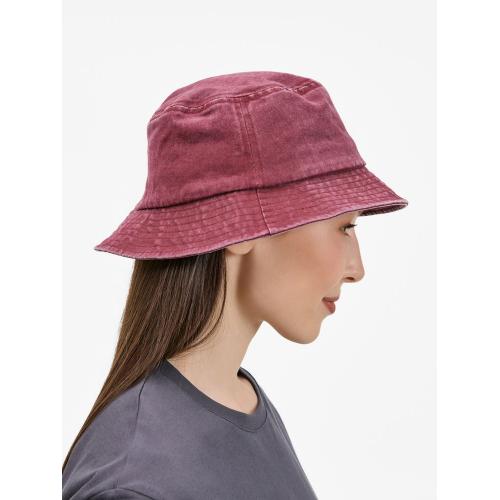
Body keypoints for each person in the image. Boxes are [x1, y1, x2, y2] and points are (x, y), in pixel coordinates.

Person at [62, 71, 408, 499]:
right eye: (344, 227)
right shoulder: (136, 480)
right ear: (241, 229)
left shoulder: (238, 401)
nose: (357, 269)